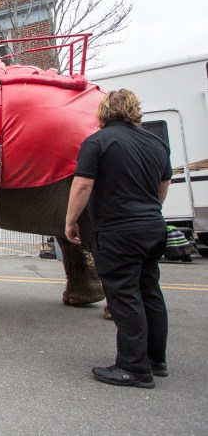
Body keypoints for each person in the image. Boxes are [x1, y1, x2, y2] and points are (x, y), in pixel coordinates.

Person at [65, 89, 171, 389]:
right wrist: (150, 211)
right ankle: (155, 360)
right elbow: (164, 185)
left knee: (124, 296)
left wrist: (71, 221)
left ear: (102, 113)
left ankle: (133, 367)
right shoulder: (156, 142)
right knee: (149, 291)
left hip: (118, 231)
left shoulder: (97, 141)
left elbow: (83, 184)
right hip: (152, 225)